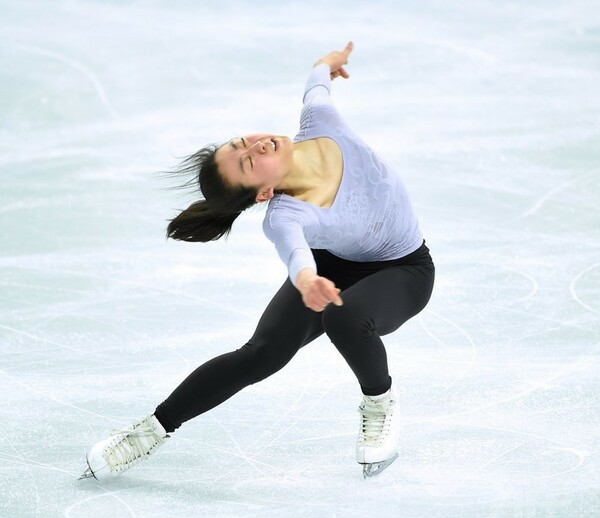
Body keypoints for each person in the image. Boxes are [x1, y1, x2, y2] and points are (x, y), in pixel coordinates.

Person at [80, 42, 435, 480]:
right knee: (261, 353)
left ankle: (379, 402)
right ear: (264, 193)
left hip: (404, 269)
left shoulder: (319, 121)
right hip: (325, 268)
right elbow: (296, 251)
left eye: (241, 143)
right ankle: (148, 433)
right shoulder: (285, 215)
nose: (257, 145)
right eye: (249, 162)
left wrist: (327, 64)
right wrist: (307, 280)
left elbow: (316, 86)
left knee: (345, 318)